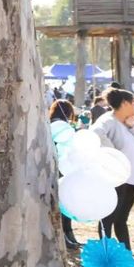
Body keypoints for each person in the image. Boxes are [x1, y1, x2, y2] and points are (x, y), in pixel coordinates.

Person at [91, 88, 134, 262]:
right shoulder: (108, 120)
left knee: (121, 219)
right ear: (125, 104)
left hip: (133, 178)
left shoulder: (130, 122)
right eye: (133, 102)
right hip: (116, 178)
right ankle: (106, 256)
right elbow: (95, 133)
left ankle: (127, 259)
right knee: (108, 218)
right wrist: (114, 157)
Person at [48, 99, 80, 249]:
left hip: (51, 168)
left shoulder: (48, 125)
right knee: (65, 204)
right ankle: (67, 234)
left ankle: (67, 235)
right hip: (64, 168)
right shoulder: (64, 127)